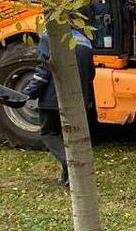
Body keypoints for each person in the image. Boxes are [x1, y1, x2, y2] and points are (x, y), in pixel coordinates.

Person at [21, 16, 96, 187]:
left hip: (52, 100)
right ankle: (66, 175)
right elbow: (91, 74)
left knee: (49, 134)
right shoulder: (85, 41)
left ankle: (71, 167)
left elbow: (44, 71)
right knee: (67, 136)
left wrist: (28, 93)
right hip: (77, 100)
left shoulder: (50, 38)